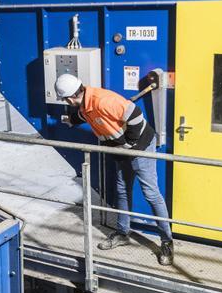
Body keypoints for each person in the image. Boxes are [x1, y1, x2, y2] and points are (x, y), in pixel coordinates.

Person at [56, 73, 173, 265]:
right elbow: (84, 114)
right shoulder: (86, 101)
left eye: (66, 101)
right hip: (121, 149)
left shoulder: (102, 100)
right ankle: (122, 233)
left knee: (151, 193)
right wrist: (72, 120)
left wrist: (130, 145)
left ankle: (167, 242)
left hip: (140, 147)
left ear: (69, 98)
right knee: (121, 190)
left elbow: (135, 116)